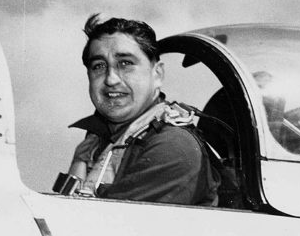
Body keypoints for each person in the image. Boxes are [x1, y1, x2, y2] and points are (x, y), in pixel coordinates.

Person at [64, 14, 219, 205]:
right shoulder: (95, 143)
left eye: (126, 63)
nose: (111, 79)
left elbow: (105, 228)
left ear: (157, 75)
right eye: (99, 66)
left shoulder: (173, 147)